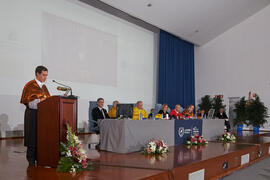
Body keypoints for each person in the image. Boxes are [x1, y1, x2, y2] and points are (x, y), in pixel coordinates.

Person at [20, 66, 51, 166]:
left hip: (43, 116)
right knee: (32, 136)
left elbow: (49, 101)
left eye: (46, 75)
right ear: (37, 74)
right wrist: (40, 101)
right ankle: (31, 159)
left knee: (41, 136)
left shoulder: (44, 87)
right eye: (43, 75)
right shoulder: (29, 85)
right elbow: (28, 103)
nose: (45, 77)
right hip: (32, 114)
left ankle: (40, 157)